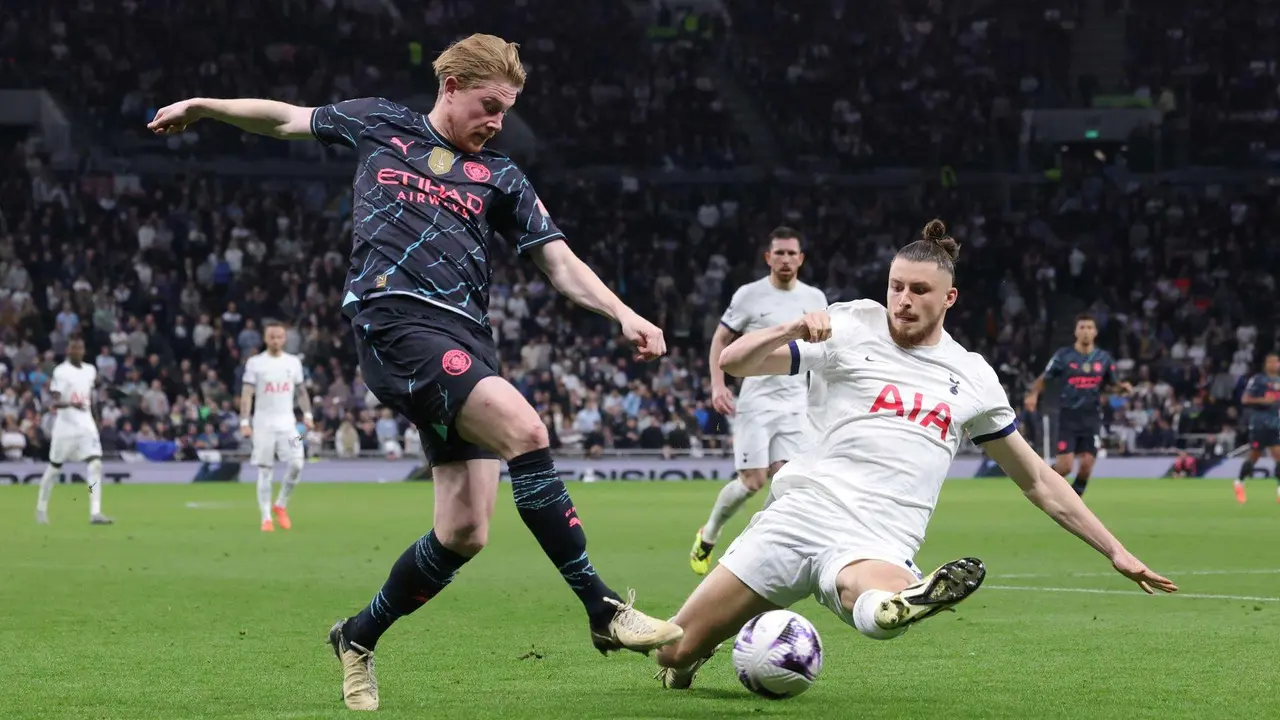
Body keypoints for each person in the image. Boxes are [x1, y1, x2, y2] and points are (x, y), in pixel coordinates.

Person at [148, 33, 680, 711]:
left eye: (506, 111)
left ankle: (357, 635)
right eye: (488, 105)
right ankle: (602, 608)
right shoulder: (381, 123)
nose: (497, 122)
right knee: (525, 427)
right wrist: (206, 107)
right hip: (394, 322)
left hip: (466, 340)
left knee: (464, 532)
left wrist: (621, 312)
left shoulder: (503, 177)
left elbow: (558, 261)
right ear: (451, 86)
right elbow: (285, 118)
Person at [652, 220, 1177, 688]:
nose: (902, 299)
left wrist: (1114, 550)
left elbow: (1038, 480)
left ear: (949, 299)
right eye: (895, 286)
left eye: (919, 290)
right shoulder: (852, 324)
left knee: (881, 605)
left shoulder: (973, 376)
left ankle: (903, 602)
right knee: (672, 650)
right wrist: (790, 326)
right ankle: (694, 655)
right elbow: (737, 362)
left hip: (879, 537)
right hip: (798, 515)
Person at [691, 226, 827, 575]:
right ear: (768, 257)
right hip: (756, 401)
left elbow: (826, 352)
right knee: (753, 482)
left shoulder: (816, 299)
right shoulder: (749, 295)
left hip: (797, 403)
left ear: (801, 259)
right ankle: (710, 533)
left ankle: (753, 553)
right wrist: (718, 384)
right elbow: (721, 338)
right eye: (778, 253)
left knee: (787, 483)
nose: (785, 259)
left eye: (791, 253)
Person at [1023, 314, 1132, 497]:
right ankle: (1041, 484)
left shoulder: (1103, 358)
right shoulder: (1064, 356)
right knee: (1065, 467)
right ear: (1076, 331)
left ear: (1095, 332)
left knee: (1086, 466)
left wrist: (1122, 388)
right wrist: (1033, 394)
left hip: (1092, 417)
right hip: (1069, 417)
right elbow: (1045, 377)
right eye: (1082, 327)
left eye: (1089, 327)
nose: (1086, 331)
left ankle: (1073, 502)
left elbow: (1113, 385)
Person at [240, 322, 312, 531]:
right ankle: (266, 518)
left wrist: (307, 414)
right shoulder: (255, 363)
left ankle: (280, 504)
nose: (276, 340)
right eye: (272, 337)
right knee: (265, 470)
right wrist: (244, 422)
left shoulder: (293, 363)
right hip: (263, 426)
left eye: (279, 337)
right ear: (265, 338)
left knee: (297, 462)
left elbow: (301, 392)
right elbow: (247, 394)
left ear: (285, 338)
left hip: (289, 426)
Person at [35, 337, 111, 525]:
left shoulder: (90, 370)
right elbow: (54, 401)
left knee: (95, 465)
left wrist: (96, 417)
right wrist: (71, 403)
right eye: (73, 348)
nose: (76, 350)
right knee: (54, 469)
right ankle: (41, 508)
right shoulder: (61, 372)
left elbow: (90, 396)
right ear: (68, 350)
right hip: (66, 427)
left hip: (86, 425)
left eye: (79, 347)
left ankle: (95, 512)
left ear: (83, 350)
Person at [1234, 353, 1280, 503]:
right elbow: (1245, 399)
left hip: (1275, 423)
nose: (1274, 364)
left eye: (1276, 361)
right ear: (1266, 364)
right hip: (1259, 423)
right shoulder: (1258, 380)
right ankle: (1239, 482)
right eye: (1271, 361)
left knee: (1278, 455)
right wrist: (1263, 401)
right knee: (1255, 456)